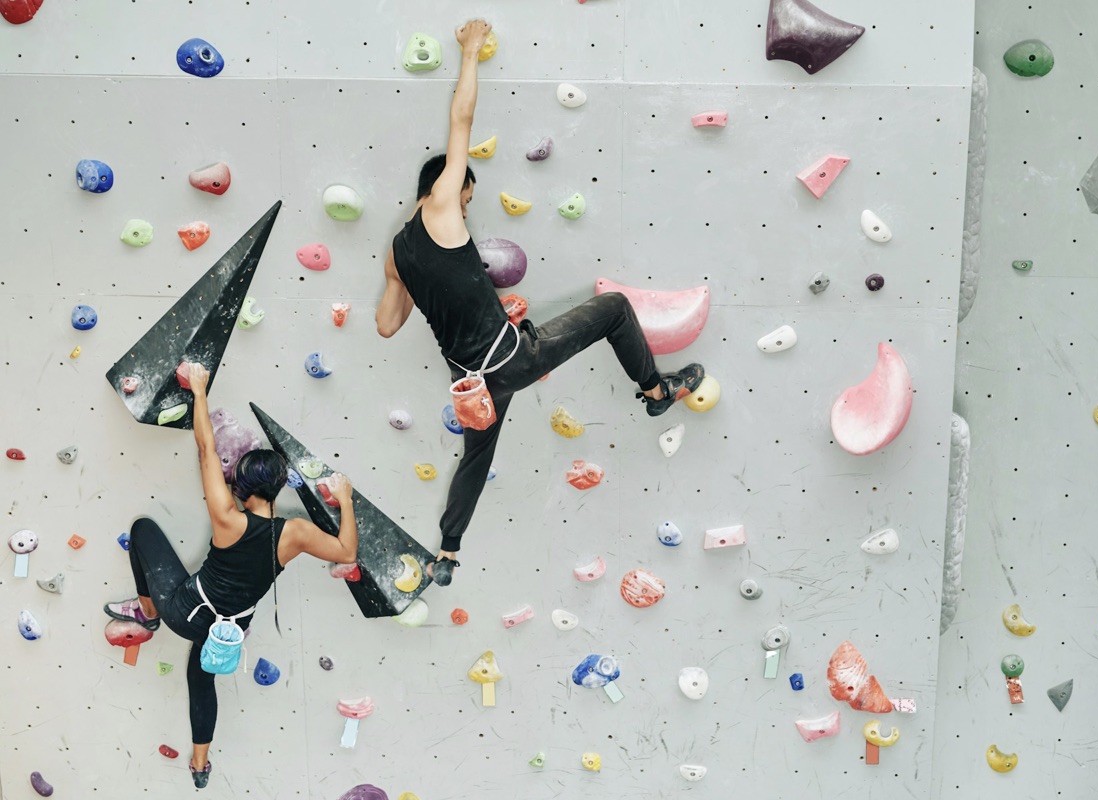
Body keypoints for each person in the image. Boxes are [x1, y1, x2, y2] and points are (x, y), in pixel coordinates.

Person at [375, 19, 705, 588]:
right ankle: (657, 391)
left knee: (475, 459)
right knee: (616, 310)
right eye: (466, 198)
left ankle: (448, 553)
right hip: (512, 361)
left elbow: (386, 325)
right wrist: (471, 52)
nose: (468, 210)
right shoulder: (443, 207)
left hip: (473, 389)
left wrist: (415, 291)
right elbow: (461, 119)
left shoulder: (396, 257)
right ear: (446, 189)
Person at [103, 363, 359, 789]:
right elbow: (346, 550)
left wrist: (200, 393)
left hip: (185, 611)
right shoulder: (293, 534)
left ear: (241, 487)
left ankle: (147, 612)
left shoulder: (229, 519)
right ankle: (200, 765)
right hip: (229, 630)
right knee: (201, 678)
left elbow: (207, 450)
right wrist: (345, 500)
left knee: (142, 530)